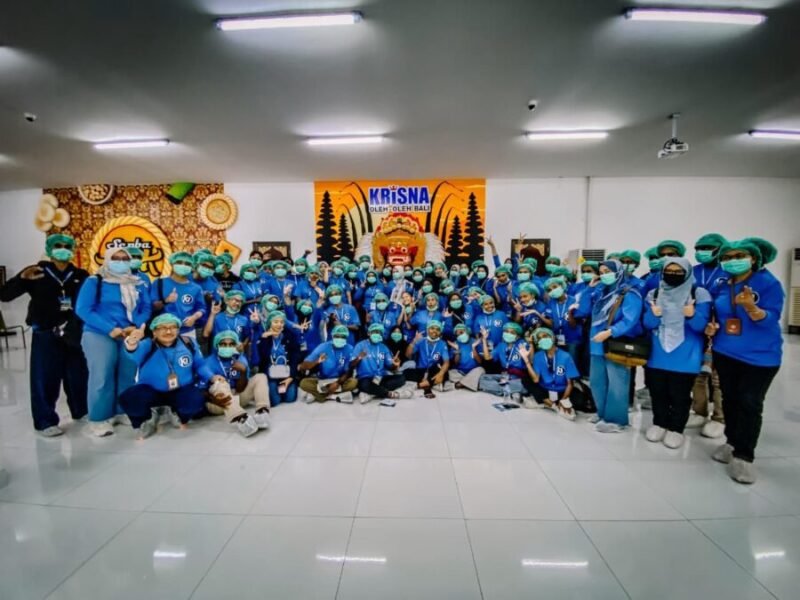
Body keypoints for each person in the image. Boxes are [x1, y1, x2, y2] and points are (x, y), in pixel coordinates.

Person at [706, 238, 783, 484]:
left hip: (760, 356)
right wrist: (711, 326)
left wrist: (751, 308)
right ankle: (731, 442)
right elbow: (716, 311)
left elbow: (771, 318)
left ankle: (744, 455)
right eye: (727, 257)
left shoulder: (768, 283)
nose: (732, 261)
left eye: (739, 256)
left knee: (750, 402)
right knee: (730, 399)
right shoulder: (723, 282)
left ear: (753, 258)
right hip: (725, 351)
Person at [0, 234, 89, 436]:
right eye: (58, 245)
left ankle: (81, 411)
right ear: (49, 249)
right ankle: (45, 421)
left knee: (77, 375)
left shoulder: (80, 275)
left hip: (73, 332)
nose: (63, 249)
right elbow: (5, 295)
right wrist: (21, 279)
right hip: (46, 333)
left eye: (67, 246)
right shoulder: (36, 272)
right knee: (45, 378)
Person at [76, 247, 151, 436]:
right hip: (99, 333)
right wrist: (109, 328)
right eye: (116, 258)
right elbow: (83, 309)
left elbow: (146, 307)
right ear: (107, 260)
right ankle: (99, 418)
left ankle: (122, 410)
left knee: (127, 374)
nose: (121, 262)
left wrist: (135, 325)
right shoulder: (95, 281)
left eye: (125, 258)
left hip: (129, 334)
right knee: (102, 376)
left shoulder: (137, 282)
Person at [642, 258, 712, 449]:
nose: (672, 275)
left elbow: (700, 326)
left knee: (679, 394)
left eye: (678, 271)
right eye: (669, 271)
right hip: (658, 352)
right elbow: (647, 324)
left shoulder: (699, 294)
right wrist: (654, 314)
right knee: (658, 392)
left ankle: (676, 428)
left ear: (687, 273)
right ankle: (659, 423)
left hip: (686, 353)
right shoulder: (655, 293)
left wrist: (692, 314)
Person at [573, 259, 643, 433]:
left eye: (608, 271)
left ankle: (616, 420)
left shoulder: (629, 293)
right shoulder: (600, 292)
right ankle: (602, 413)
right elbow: (583, 311)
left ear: (618, 272)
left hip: (615, 342)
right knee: (597, 382)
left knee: (617, 382)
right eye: (602, 272)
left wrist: (611, 331)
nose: (604, 275)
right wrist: (589, 289)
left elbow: (630, 319)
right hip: (596, 343)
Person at [118, 314, 214, 439]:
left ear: (178, 330)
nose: (168, 331)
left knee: (195, 400)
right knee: (129, 398)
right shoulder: (148, 344)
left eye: (173, 327)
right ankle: (146, 419)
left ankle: (177, 413)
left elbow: (200, 364)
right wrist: (132, 342)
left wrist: (212, 377)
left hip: (181, 389)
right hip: (151, 391)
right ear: (154, 332)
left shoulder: (188, 343)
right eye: (162, 328)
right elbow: (133, 352)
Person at [687, 233, 729, 437]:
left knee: (718, 377)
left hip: (722, 330)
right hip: (697, 327)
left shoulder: (727, 272)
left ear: (720, 249)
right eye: (698, 248)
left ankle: (719, 417)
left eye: (706, 248)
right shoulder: (693, 272)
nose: (701, 252)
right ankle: (699, 411)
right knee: (698, 372)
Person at [203, 330, 271, 437]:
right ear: (217, 346)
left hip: (237, 397)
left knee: (260, 376)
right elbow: (201, 391)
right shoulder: (207, 363)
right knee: (220, 384)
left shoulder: (239, 359)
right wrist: (214, 399)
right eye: (223, 344)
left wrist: (243, 372)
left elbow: (240, 389)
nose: (227, 347)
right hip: (219, 403)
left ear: (235, 346)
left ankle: (262, 412)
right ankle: (242, 419)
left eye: (231, 344)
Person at [519, 327, 579, 419]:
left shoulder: (566, 356)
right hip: (545, 390)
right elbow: (535, 379)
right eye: (539, 338)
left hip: (561, 390)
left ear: (552, 337)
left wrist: (563, 400)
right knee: (526, 379)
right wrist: (526, 360)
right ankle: (552, 405)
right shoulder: (538, 356)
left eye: (545, 336)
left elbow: (570, 384)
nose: (543, 340)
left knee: (579, 400)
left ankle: (545, 404)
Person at [298, 324, 359, 403]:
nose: (340, 338)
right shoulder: (323, 347)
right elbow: (304, 366)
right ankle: (334, 396)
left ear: (346, 338)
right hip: (322, 380)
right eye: (337, 336)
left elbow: (349, 372)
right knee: (303, 383)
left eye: (343, 337)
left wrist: (337, 383)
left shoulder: (349, 349)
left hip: (340, 380)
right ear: (332, 336)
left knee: (354, 382)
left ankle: (319, 395)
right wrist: (317, 361)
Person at [150, 251, 206, 336]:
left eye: (187, 264)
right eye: (179, 262)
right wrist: (166, 301)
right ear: (172, 264)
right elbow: (152, 307)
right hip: (163, 331)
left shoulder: (196, 288)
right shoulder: (159, 283)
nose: (183, 265)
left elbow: (201, 308)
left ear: (192, 267)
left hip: (187, 331)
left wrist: (194, 317)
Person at [351, 323, 410, 401]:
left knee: (401, 378)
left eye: (379, 333)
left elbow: (390, 366)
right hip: (365, 377)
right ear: (369, 333)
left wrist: (395, 364)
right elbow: (351, 364)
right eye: (375, 332)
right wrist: (359, 357)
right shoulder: (360, 345)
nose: (377, 334)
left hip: (380, 377)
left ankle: (373, 392)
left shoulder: (384, 347)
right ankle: (388, 394)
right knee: (364, 384)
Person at [478, 321, 531, 402]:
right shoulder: (501, 345)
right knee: (482, 379)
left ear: (517, 336)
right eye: (506, 331)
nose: (508, 334)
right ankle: (509, 391)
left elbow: (531, 360)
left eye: (512, 332)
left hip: (518, 378)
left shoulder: (523, 344)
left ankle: (501, 390)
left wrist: (531, 345)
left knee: (524, 386)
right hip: (504, 376)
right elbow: (487, 357)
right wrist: (484, 340)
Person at [256, 310, 300, 406]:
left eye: (281, 322)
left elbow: (295, 358)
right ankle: (275, 390)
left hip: (286, 373)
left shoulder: (290, 336)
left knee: (290, 398)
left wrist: (291, 377)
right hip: (270, 375)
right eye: (276, 322)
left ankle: (283, 388)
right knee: (275, 401)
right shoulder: (264, 337)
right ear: (270, 323)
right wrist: (264, 338)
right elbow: (262, 357)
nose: (279, 324)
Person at [404, 320, 453, 398]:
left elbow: (446, 362)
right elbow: (407, 354)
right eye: (432, 328)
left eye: (438, 329)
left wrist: (440, 374)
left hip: (433, 370)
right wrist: (414, 341)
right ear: (427, 330)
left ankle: (420, 384)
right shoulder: (421, 341)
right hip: (421, 370)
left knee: (444, 372)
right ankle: (430, 382)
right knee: (406, 372)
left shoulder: (442, 343)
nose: (434, 331)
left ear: (440, 332)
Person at [444, 323, 487, 391]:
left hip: (473, 371)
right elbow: (456, 363)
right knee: (450, 373)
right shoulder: (455, 343)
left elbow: (480, 361)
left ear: (467, 331)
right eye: (457, 334)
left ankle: (459, 384)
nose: (460, 335)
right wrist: (457, 349)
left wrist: (473, 347)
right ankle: (470, 383)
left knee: (481, 370)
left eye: (461, 332)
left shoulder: (475, 341)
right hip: (460, 373)